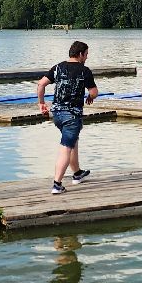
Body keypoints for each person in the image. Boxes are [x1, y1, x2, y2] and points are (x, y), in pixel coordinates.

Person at [37, 40, 98, 195]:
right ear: (80, 54)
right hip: (72, 116)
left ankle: (77, 174)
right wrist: (90, 97)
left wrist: (41, 104)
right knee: (66, 147)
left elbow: (41, 84)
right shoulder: (84, 71)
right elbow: (94, 91)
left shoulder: (57, 67)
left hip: (56, 114)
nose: (87, 58)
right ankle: (57, 184)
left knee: (72, 141)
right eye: (86, 55)